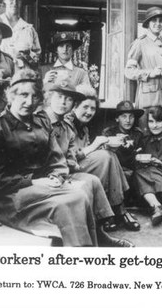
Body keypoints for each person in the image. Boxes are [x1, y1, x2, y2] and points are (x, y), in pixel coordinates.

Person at [0, 70, 133, 247]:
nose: (29, 102)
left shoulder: (42, 123)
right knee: (74, 197)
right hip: (12, 197)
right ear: (11, 95)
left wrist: (56, 177)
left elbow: (57, 161)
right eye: (23, 95)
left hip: (44, 187)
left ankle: (92, 243)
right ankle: (80, 250)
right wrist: (34, 182)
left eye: (34, 96)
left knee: (81, 194)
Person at [66, 85, 141, 232]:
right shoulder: (67, 124)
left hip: (80, 165)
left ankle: (112, 213)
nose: (89, 112)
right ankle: (120, 210)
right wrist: (96, 144)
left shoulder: (84, 127)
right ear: (74, 106)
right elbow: (71, 157)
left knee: (109, 155)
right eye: (85, 107)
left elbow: (87, 154)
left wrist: (103, 146)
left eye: (93, 109)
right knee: (107, 156)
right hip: (68, 169)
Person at [125, 6, 162, 135]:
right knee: (148, 134)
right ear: (148, 24)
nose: (158, 24)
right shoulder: (140, 43)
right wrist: (150, 73)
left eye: (161, 21)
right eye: (154, 21)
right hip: (150, 97)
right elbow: (129, 71)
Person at [102, 100, 145, 172]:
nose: (128, 120)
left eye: (131, 117)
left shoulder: (138, 134)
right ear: (117, 119)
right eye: (124, 116)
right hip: (114, 170)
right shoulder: (109, 133)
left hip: (133, 171)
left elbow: (140, 158)